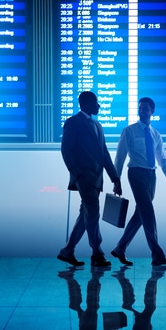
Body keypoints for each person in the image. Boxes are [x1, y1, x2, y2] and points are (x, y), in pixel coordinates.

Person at [58, 91, 122, 268]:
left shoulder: (98, 126)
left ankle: (67, 251)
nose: (98, 105)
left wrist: (115, 177)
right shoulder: (73, 122)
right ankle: (97, 253)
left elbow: (104, 154)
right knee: (93, 213)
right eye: (95, 102)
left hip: (96, 178)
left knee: (85, 215)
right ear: (85, 103)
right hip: (84, 177)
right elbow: (67, 150)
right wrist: (77, 173)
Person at [111, 97, 166, 267]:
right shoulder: (129, 131)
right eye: (140, 108)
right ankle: (157, 254)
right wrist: (116, 180)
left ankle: (120, 248)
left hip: (151, 176)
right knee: (148, 212)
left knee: (140, 215)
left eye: (146, 108)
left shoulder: (155, 134)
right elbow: (120, 156)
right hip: (136, 174)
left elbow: (163, 159)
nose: (142, 111)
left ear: (152, 111)